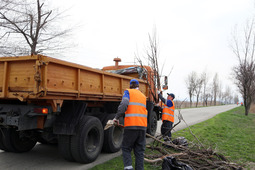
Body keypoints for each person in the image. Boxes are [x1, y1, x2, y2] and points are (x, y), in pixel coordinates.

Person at [113, 79, 147, 170]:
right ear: (138, 86)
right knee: (139, 151)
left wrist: (116, 117)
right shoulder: (143, 96)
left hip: (131, 126)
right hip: (142, 127)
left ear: (130, 85)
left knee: (126, 148)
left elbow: (124, 104)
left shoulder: (128, 92)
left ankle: (128, 168)